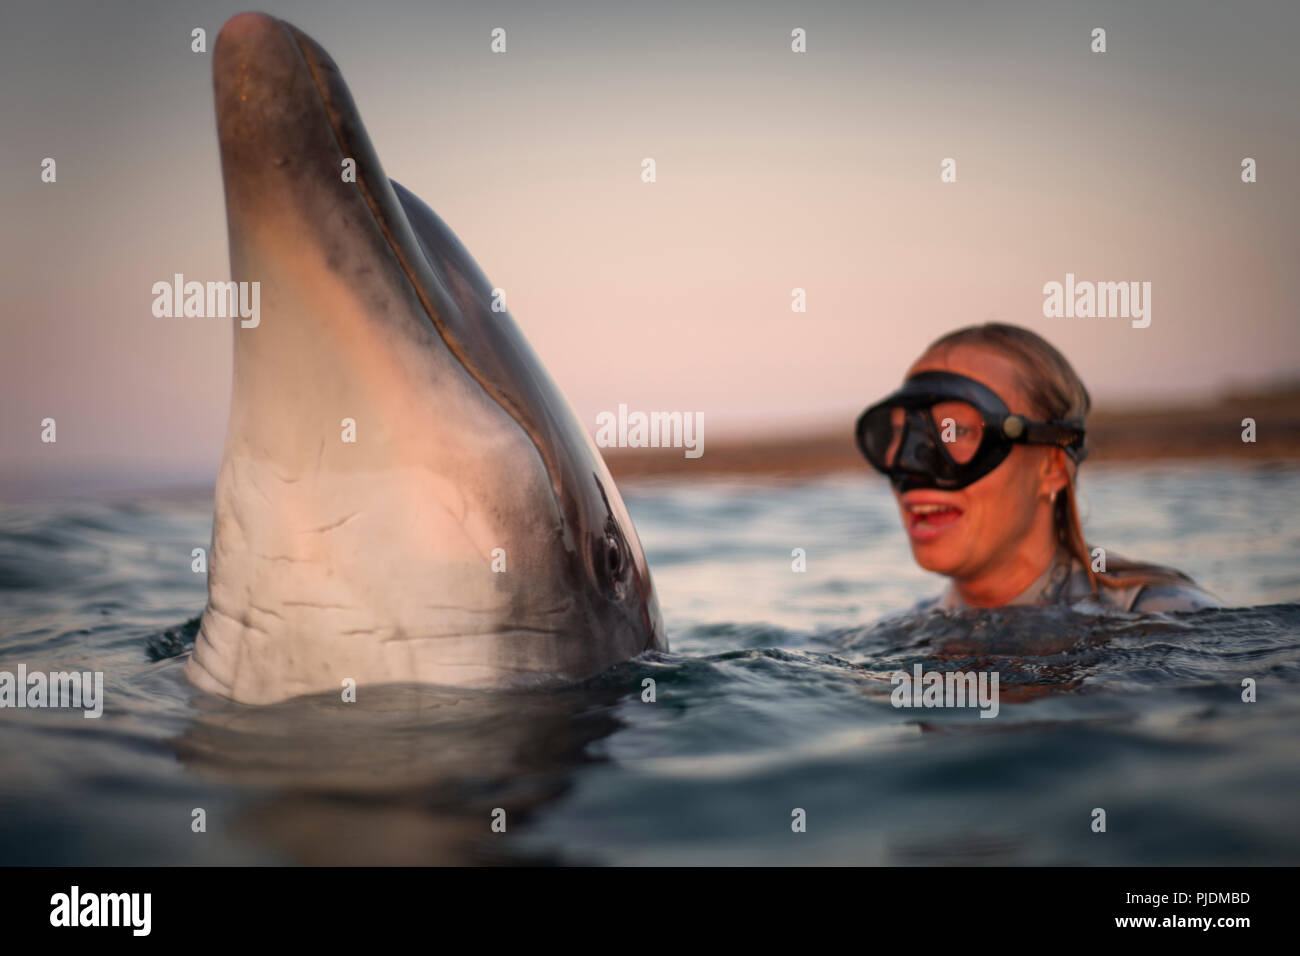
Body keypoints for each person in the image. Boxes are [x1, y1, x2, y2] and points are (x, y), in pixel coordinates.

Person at [855, 323, 1219, 613]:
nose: (913, 464)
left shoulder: (1162, 619)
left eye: (958, 431)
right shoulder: (903, 637)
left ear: (1053, 468)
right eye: (900, 434)